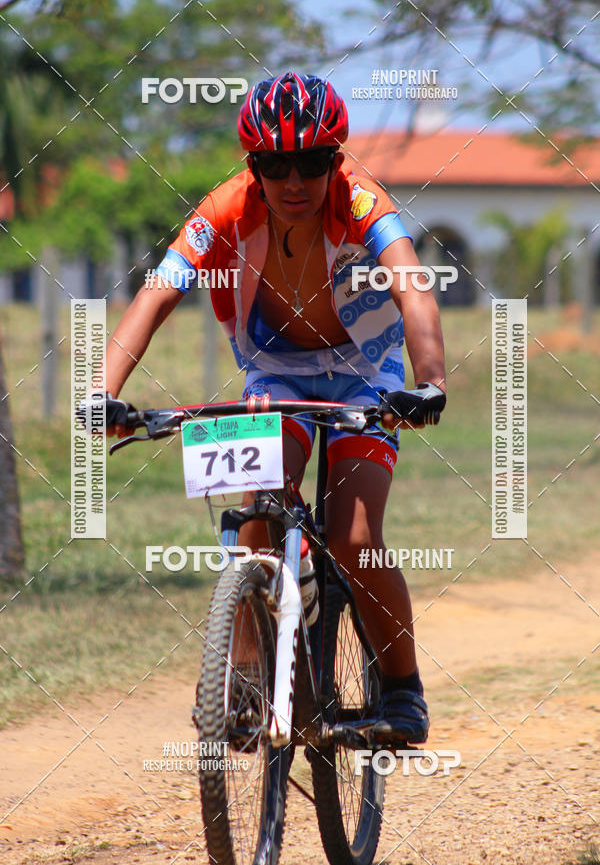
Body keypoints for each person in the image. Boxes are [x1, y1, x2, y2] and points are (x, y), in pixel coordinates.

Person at [101, 70, 446, 744]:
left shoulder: (362, 202)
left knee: (353, 538)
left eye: (311, 162)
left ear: (335, 161)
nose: (294, 181)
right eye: (274, 164)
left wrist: (429, 382)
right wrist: (101, 391)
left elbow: (414, 290)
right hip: (277, 370)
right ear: (251, 166)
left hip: (365, 372)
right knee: (255, 496)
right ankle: (250, 673)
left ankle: (404, 690)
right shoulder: (226, 207)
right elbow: (157, 293)